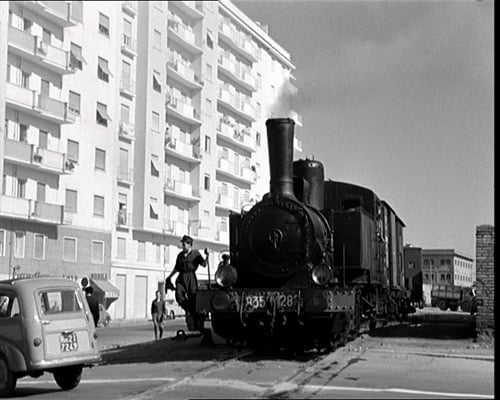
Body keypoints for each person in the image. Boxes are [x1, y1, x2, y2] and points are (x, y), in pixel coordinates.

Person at [165, 235, 208, 331]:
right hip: (181, 277)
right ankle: (188, 310)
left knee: (193, 298)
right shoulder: (180, 255)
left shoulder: (196, 254)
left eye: (184, 244)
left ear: (189, 245)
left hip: (191, 278)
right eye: (182, 244)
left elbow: (204, 264)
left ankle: (196, 318)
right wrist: (169, 277)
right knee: (178, 295)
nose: (182, 246)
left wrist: (207, 256)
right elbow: (176, 268)